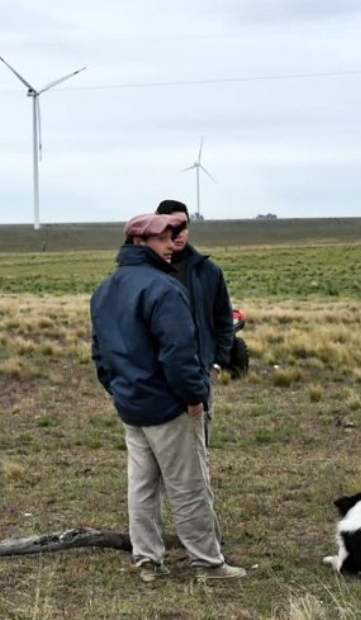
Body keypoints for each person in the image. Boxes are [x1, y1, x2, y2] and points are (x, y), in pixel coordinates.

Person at [91, 212, 246, 584]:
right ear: (139, 243)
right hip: (168, 406)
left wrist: (116, 388)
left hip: (131, 405)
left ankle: (147, 560)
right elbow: (178, 353)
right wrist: (194, 396)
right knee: (188, 486)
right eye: (161, 240)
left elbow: (101, 351)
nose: (169, 246)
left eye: (171, 237)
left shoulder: (106, 288)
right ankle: (208, 563)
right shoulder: (163, 288)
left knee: (141, 485)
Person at [154, 199, 235, 447]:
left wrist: (217, 362)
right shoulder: (146, 272)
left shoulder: (208, 271)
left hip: (200, 374)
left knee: (198, 448)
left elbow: (223, 320)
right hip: (156, 378)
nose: (179, 234)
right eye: (172, 227)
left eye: (184, 226)